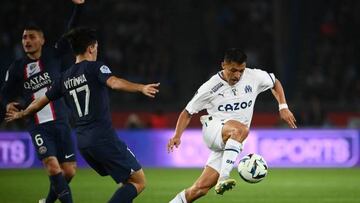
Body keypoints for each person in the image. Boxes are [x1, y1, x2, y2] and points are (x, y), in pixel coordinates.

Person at [6, 27, 160, 203]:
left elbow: (40, 101)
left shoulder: (64, 77)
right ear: (92, 47)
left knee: (126, 182)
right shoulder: (96, 68)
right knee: (138, 182)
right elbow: (115, 83)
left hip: (83, 143)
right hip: (103, 138)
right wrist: (141, 87)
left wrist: (23, 113)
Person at [167, 48, 297, 202]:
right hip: (214, 129)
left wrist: (283, 107)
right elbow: (187, 112)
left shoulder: (254, 76)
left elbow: (275, 83)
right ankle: (224, 177)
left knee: (200, 189)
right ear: (223, 65)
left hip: (232, 140)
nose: (237, 75)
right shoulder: (210, 87)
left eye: (241, 70)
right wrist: (177, 135)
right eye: (233, 70)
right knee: (240, 129)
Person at [0, 1, 85, 202]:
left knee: (69, 171)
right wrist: (6, 103)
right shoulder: (16, 68)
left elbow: (70, 31)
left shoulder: (53, 55)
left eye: (31, 37)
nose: (27, 41)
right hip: (38, 125)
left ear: (42, 40)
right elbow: (4, 92)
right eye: (24, 37)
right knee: (52, 166)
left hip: (61, 121)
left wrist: (79, 7)